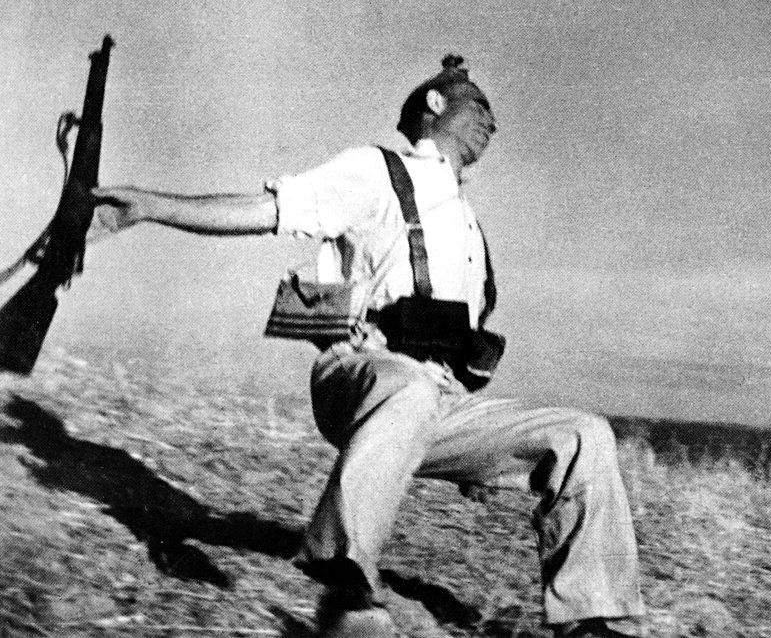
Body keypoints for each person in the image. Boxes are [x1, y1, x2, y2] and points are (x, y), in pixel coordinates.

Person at [90, 55, 646, 638]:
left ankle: (590, 621)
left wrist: (482, 450)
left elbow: (466, 349)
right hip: (360, 375)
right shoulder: (376, 171)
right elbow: (267, 211)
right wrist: (150, 207)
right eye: (480, 106)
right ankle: (346, 582)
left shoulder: (469, 226)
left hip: (439, 402)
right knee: (404, 388)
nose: (492, 123)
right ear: (436, 104)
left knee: (582, 434)